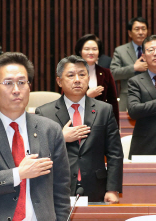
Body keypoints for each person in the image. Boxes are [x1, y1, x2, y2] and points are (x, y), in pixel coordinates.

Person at [0, 52, 70, 221]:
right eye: (8, 83)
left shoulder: (50, 130)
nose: (17, 90)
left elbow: (61, 188)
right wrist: (18, 174)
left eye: (22, 82)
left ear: (29, 87)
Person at [36, 55, 123, 203]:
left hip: (96, 187)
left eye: (82, 74)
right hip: (57, 187)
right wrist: (60, 138)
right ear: (59, 81)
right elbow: (37, 154)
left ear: (88, 78)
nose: (77, 79)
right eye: (70, 75)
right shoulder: (44, 113)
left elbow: (115, 153)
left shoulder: (104, 110)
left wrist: (112, 189)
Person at [74, 34, 120, 124]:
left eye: (94, 49)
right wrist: (86, 95)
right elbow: (65, 100)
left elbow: (113, 102)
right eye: (87, 49)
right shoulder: (71, 72)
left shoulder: (106, 73)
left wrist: (116, 128)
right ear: (80, 51)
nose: (91, 52)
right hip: (77, 120)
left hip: (101, 121)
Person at [110, 17, 149, 111]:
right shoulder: (120, 51)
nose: (141, 32)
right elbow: (113, 73)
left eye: (143, 29)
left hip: (150, 96)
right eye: (137, 29)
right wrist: (134, 68)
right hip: (127, 97)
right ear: (130, 33)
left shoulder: (154, 50)